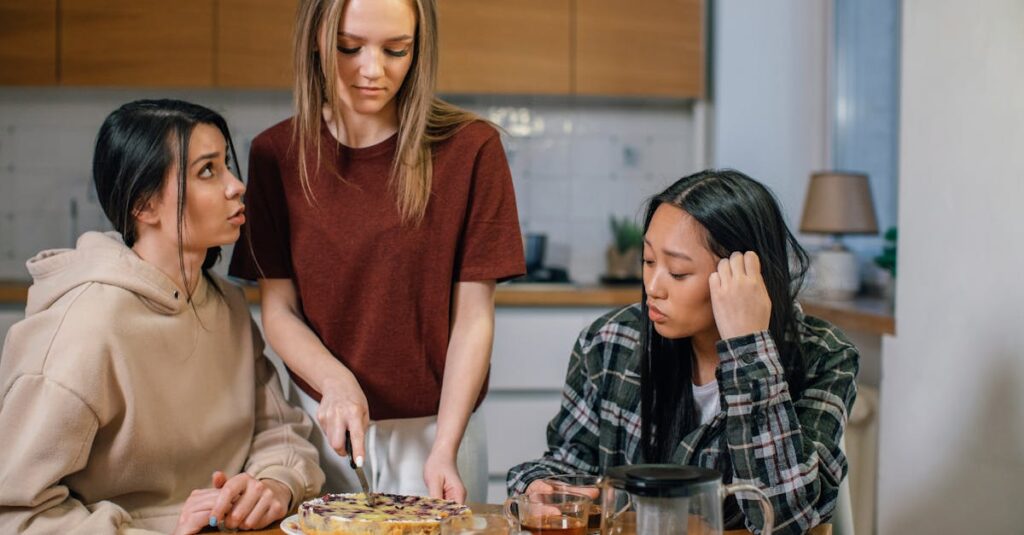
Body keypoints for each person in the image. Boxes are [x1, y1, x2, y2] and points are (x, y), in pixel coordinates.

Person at [228, 0, 524, 503]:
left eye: (396, 50)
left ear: (419, 49)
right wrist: (337, 383)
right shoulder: (276, 154)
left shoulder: (472, 149)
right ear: (317, 40)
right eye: (350, 47)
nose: (373, 70)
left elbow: (473, 318)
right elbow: (278, 308)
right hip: (325, 422)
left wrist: (445, 447)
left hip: (441, 429)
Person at [0, 99, 325, 534]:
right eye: (208, 171)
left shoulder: (227, 306)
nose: (237, 186)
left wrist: (272, 484)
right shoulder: (86, 330)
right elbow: (19, 513)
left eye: (226, 165)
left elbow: (281, 432)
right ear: (144, 205)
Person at [507, 169, 859, 535]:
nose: (653, 288)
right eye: (647, 261)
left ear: (745, 276)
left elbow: (788, 519)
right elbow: (568, 462)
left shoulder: (824, 356)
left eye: (677, 272)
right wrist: (541, 486)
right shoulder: (609, 341)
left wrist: (749, 349)